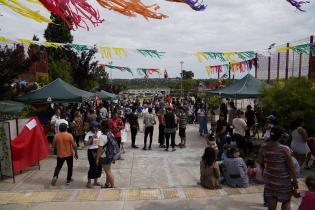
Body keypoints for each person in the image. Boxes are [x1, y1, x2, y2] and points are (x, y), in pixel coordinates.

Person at [259, 126, 299, 210]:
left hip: (270, 179)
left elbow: (261, 163)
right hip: (283, 181)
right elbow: (291, 168)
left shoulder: (263, 147)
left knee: (273, 199)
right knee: (286, 201)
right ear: (281, 136)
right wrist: (295, 184)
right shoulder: (284, 149)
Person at [96, 121, 115, 188]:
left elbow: (99, 149)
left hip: (104, 157)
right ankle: (107, 184)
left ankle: (112, 186)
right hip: (110, 155)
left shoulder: (102, 137)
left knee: (108, 172)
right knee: (108, 170)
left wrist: (97, 159)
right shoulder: (111, 134)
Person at [84, 121, 102, 188]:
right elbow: (85, 143)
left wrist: (98, 138)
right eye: (94, 128)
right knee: (93, 166)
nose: (96, 129)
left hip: (99, 150)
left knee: (99, 166)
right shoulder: (88, 134)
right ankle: (88, 182)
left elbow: (101, 142)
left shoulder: (100, 132)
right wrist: (92, 138)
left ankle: (96, 181)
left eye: (97, 127)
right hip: (91, 151)